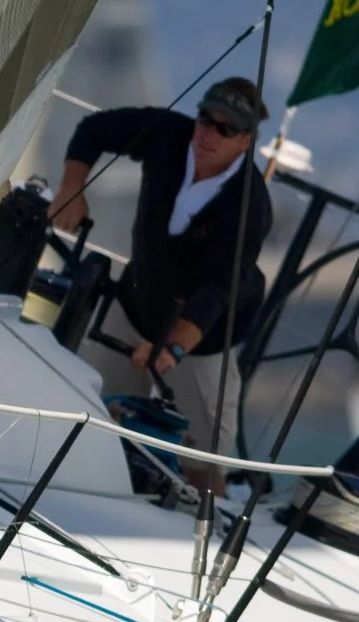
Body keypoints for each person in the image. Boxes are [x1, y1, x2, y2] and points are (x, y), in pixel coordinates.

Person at [49, 77, 273, 493]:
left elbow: (217, 289)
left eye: (225, 129)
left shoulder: (250, 206)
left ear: (246, 141)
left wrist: (171, 348)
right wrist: (71, 189)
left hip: (203, 338)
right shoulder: (168, 134)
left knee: (203, 469)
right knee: (85, 412)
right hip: (135, 303)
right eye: (205, 119)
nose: (208, 133)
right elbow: (94, 130)